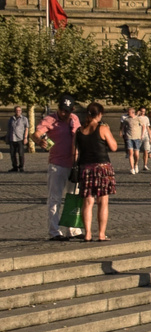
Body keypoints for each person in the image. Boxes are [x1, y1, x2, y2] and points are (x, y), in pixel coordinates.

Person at [73, 104, 120, 242]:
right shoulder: (103, 128)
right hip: (102, 167)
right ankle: (101, 234)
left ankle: (87, 234)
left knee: (87, 202)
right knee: (103, 201)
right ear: (100, 114)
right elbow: (114, 147)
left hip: (86, 168)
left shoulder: (79, 131)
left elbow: (74, 152)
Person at [38, 101, 81, 240]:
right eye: (62, 110)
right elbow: (36, 133)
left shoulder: (74, 119)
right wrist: (39, 141)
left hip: (73, 164)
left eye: (67, 111)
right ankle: (54, 231)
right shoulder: (50, 119)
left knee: (73, 197)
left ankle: (73, 229)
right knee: (55, 198)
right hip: (57, 164)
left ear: (72, 109)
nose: (64, 113)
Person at [124, 105, 150, 174]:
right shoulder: (126, 119)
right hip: (129, 137)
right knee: (130, 153)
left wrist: (142, 134)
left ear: (132, 112)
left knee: (136, 154)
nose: (128, 113)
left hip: (137, 138)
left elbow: (144, 126)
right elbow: (123, 127)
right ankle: (132, 168)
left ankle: (136, 165)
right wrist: (123, 133)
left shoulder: (138, 119)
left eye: (129, 112)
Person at [8, 104, 31, 173]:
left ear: (21, 111)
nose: (18, 111)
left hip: (20, 138)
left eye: (19, 110)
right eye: (17, 110)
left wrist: (25, 137)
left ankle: (21, 167)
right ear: (14, 111)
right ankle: (14, 167)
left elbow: (26, 128)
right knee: (12, 154)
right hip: (12, 138)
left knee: (21, 153)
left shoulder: (24, 119)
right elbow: (9, 128)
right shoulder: (11, 119)